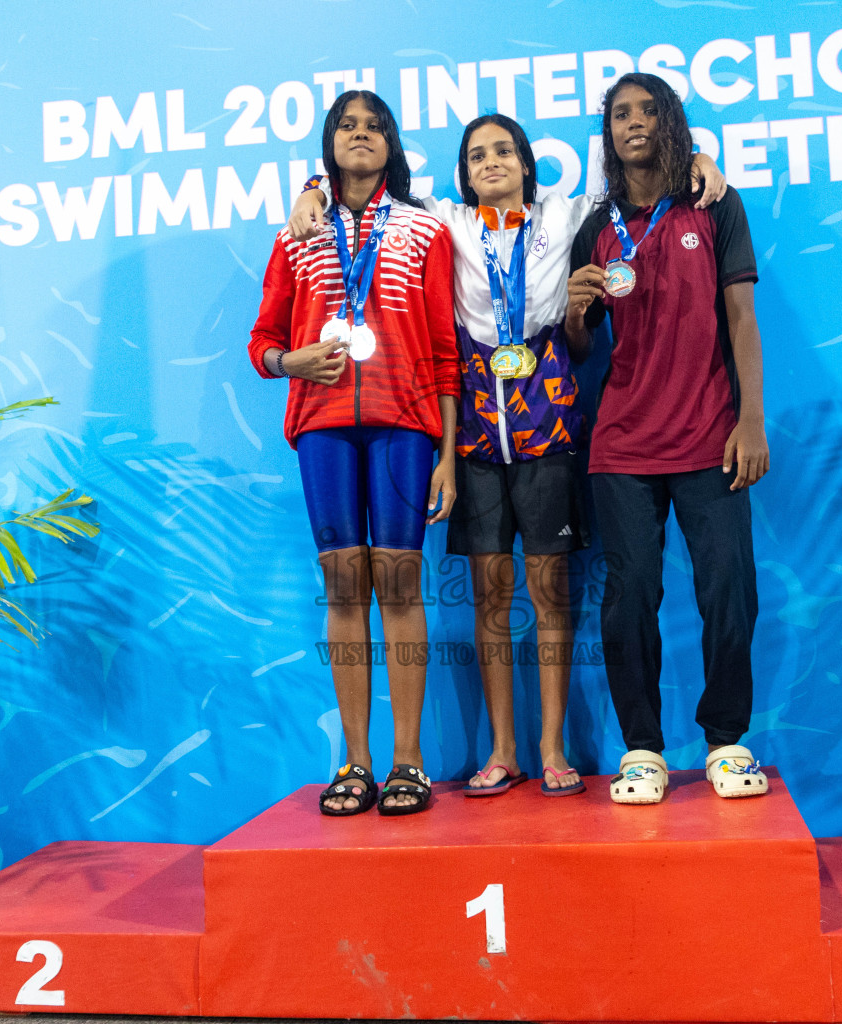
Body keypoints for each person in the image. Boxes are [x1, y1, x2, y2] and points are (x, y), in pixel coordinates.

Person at [289, 114, 727, 798]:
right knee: (492, 597)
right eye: (476, 155)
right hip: (474, 432)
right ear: (463, 174)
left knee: (552, 594)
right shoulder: (443, 221)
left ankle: (553, 748)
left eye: (503, 151)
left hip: (549, 421)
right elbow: (361, 190)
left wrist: (697, 157)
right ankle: (502, 750)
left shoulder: (571, 210)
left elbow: (640, 182)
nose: (490, 162)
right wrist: (314, 186)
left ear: (528, 164)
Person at [248, 91, 459, 816]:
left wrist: (448, 454)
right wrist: (290, 362)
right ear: (328, 144)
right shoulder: (296, 233)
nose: (360, 136)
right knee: (344, 588)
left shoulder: (425, 231)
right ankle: (355, 762)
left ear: (392, 145)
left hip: (405, 424)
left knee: (399, 585)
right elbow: (261, 339)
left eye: (374, 127)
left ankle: (409, 762)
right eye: (347, 126)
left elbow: (442, 348)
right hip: (323, 426)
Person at [565, 72, 770, 805]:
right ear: (608, 134)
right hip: (622, 443)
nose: (634, 123)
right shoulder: (594, 227)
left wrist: (751, 420)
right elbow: (582, 351)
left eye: (649, 110)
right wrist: (576, 313)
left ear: (671, 122)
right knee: (628, 599)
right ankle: (643, 749)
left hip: (712, 433)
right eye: (620, 114)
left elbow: (742, 319)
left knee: (729, 589)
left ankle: (725, 741)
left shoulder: (713, 203)